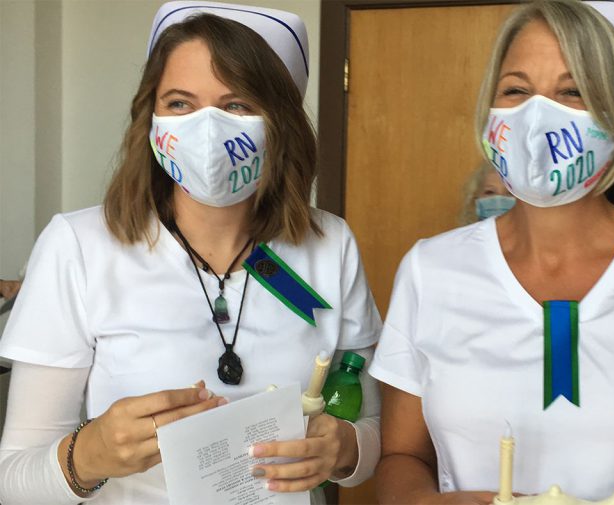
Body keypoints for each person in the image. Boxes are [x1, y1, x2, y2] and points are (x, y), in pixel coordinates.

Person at [369, 1, 614, 504]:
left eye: (571, 91)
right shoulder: (430, 270)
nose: (538, 116)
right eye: (516, 90)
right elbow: (402, 459)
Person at [0, 2, 381, 504]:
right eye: (180, 103)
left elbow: (372, 427)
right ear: (151, 118)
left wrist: (345, 449)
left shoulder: (329, 246)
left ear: (280, 122)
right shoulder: (78, 247)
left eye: (237, 105)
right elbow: (13, 481)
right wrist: (88, 454)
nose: (208, 129)